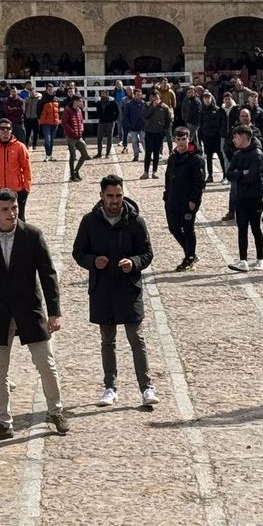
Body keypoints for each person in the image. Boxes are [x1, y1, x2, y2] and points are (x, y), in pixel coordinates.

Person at [0, 188, 68, 441]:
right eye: (5, 209)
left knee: (46, 363)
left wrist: (54, 312)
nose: (11, 214)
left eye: (14, 208)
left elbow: (48, 274)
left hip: (30, 310)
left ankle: (56, 411)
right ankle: (3, 423)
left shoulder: (32, 235)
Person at [72, 174, 158, 408]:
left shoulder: (136, 222)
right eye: (110, 196)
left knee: (136, 339)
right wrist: (92, 261)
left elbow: (147, 253)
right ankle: (110, 387)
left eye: (118, 195)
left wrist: (134, 262)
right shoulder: (89, 221)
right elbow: (78, 252)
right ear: (101, 195)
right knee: (107, 341)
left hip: (128, 289)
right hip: (102, 290)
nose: (114, 200)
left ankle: (146, 387)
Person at [224, 123, 263, 272]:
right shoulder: (237, 155)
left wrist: (240, 175)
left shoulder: (257, 154)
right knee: (242, 228)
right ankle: (243, 260)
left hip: (255, 196)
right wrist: (242, 173)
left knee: (256, 228)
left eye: (235, 137)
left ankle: (260, 259)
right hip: (241, 196)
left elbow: (253, 176)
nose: (233, 140)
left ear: (243, 137)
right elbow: (229, 174)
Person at [163, 127, 205, 272]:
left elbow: (199, 182)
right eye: (178, 139)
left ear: (189, 139)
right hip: (172, 199)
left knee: (188, 229)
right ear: (174, 140)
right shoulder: (173, 157)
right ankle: (190, 252)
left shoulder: (196, 159)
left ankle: (189, 257)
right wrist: (166, 195)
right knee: (173, 228)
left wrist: (194, 200)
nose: (181, 142)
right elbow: (168, 178)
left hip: (188, 201)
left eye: (184, 139)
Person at [0, 117, 34, 220]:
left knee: (19, 218)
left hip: (17, 189)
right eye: (2, 128)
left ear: (11, 130)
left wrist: (26, 187)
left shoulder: (20, 147)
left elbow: (26, 168)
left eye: (8, 128)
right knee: (1, 218)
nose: (5, 131)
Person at [141, 90, 171, 179]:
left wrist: (164, 131)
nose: (154, 99)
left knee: (156, 153)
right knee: (148, 153)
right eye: (152, 97)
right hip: (149, 132)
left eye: (156, 97)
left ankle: (155, 171)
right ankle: (146, 172)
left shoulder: (164, 107)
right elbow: (145, 115)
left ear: (159, 96)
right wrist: (153, 107)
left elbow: (168, 120)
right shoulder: (146, 105)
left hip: (159, 133)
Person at [60, 94, 89, 181]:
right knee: (73, 155)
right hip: (70, 137)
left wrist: (81, 129)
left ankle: (76, 171)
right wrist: (72, 131)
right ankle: (72, 175)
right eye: (80, 101)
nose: (81, 103)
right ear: (75, 101)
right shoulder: (67, 110)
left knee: (84, 154)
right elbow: (64, 123)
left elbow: (81, 121)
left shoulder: (79, 110)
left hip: (79, 136)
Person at [94, 90, 118, 157]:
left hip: (110, 122)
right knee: (99, 138)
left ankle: (108, 153)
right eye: (102, 93)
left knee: (109, 138)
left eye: (104, 93)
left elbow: (117, 111)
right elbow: (97, 111)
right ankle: (99, 153)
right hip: (102, 121)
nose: (103, 94)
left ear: (107, 94)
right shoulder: (99, 102)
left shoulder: (112, 101)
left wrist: (113, 119)